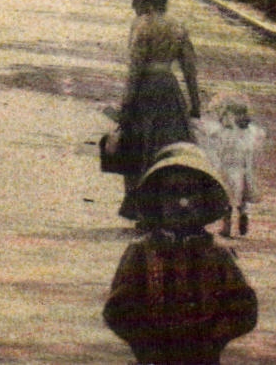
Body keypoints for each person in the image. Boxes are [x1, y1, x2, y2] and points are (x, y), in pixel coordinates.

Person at [104, 142, 258, 364]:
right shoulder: (141, 252)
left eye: (190, 193)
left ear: (204, 200)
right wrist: (146, 342)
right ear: (157, 200)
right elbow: (118, 309)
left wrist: (213, 338)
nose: (182, 202)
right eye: (172, 193)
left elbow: (243, 307)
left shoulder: (217, 253)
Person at [114, 0, 201, 210]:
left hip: (146, 91)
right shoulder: (178, 26)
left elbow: (134, 70)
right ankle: (172, 204)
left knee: (140, 147)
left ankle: (142, 206)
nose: (133, 5)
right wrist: (195, 104)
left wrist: (126, 104)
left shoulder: (142, 25)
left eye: (135, 0)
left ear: (147, 1)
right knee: (172, 147)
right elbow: (190, 69)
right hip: (170, 91)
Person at [199, 100, 265, 237]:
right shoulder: (248, 133)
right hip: (237, 168)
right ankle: (237, 218)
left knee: (232, 196)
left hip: (233, 168)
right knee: (239, 195)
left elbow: (218, 150)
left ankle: (232, 222)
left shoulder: (229, 133)